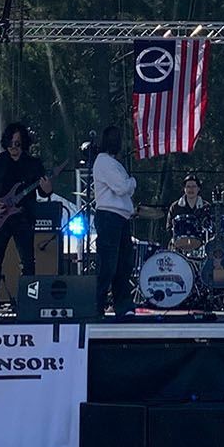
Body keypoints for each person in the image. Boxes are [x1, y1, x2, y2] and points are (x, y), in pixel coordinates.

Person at [0, 121, 51, 316]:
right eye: (10, 143)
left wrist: (47, 189)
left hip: (24, 218)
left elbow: (43, 192)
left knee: (28, 261)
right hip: (0, 217)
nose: (14, 147)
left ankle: (28, 301)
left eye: (18, 143)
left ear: (24, 143)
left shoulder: (33, 164)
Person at [92, 125, 137, 316]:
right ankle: (97, 304)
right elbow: (122, 187)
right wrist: (132, 181)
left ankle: (123, 304)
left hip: (120, 217)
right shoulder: (104, 162)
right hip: (109, 216)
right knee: (108, 264)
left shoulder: (112, 163)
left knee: (123, 264)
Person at [167, 174, 211, 250]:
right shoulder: (175, 207)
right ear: (184, 189)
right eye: (188, 187)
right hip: (178, 246)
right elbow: (169, 227)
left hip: (201, 247)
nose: (191, 189)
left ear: (198, 188)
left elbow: (210, 227)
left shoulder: (206, 206)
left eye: (194, 186)